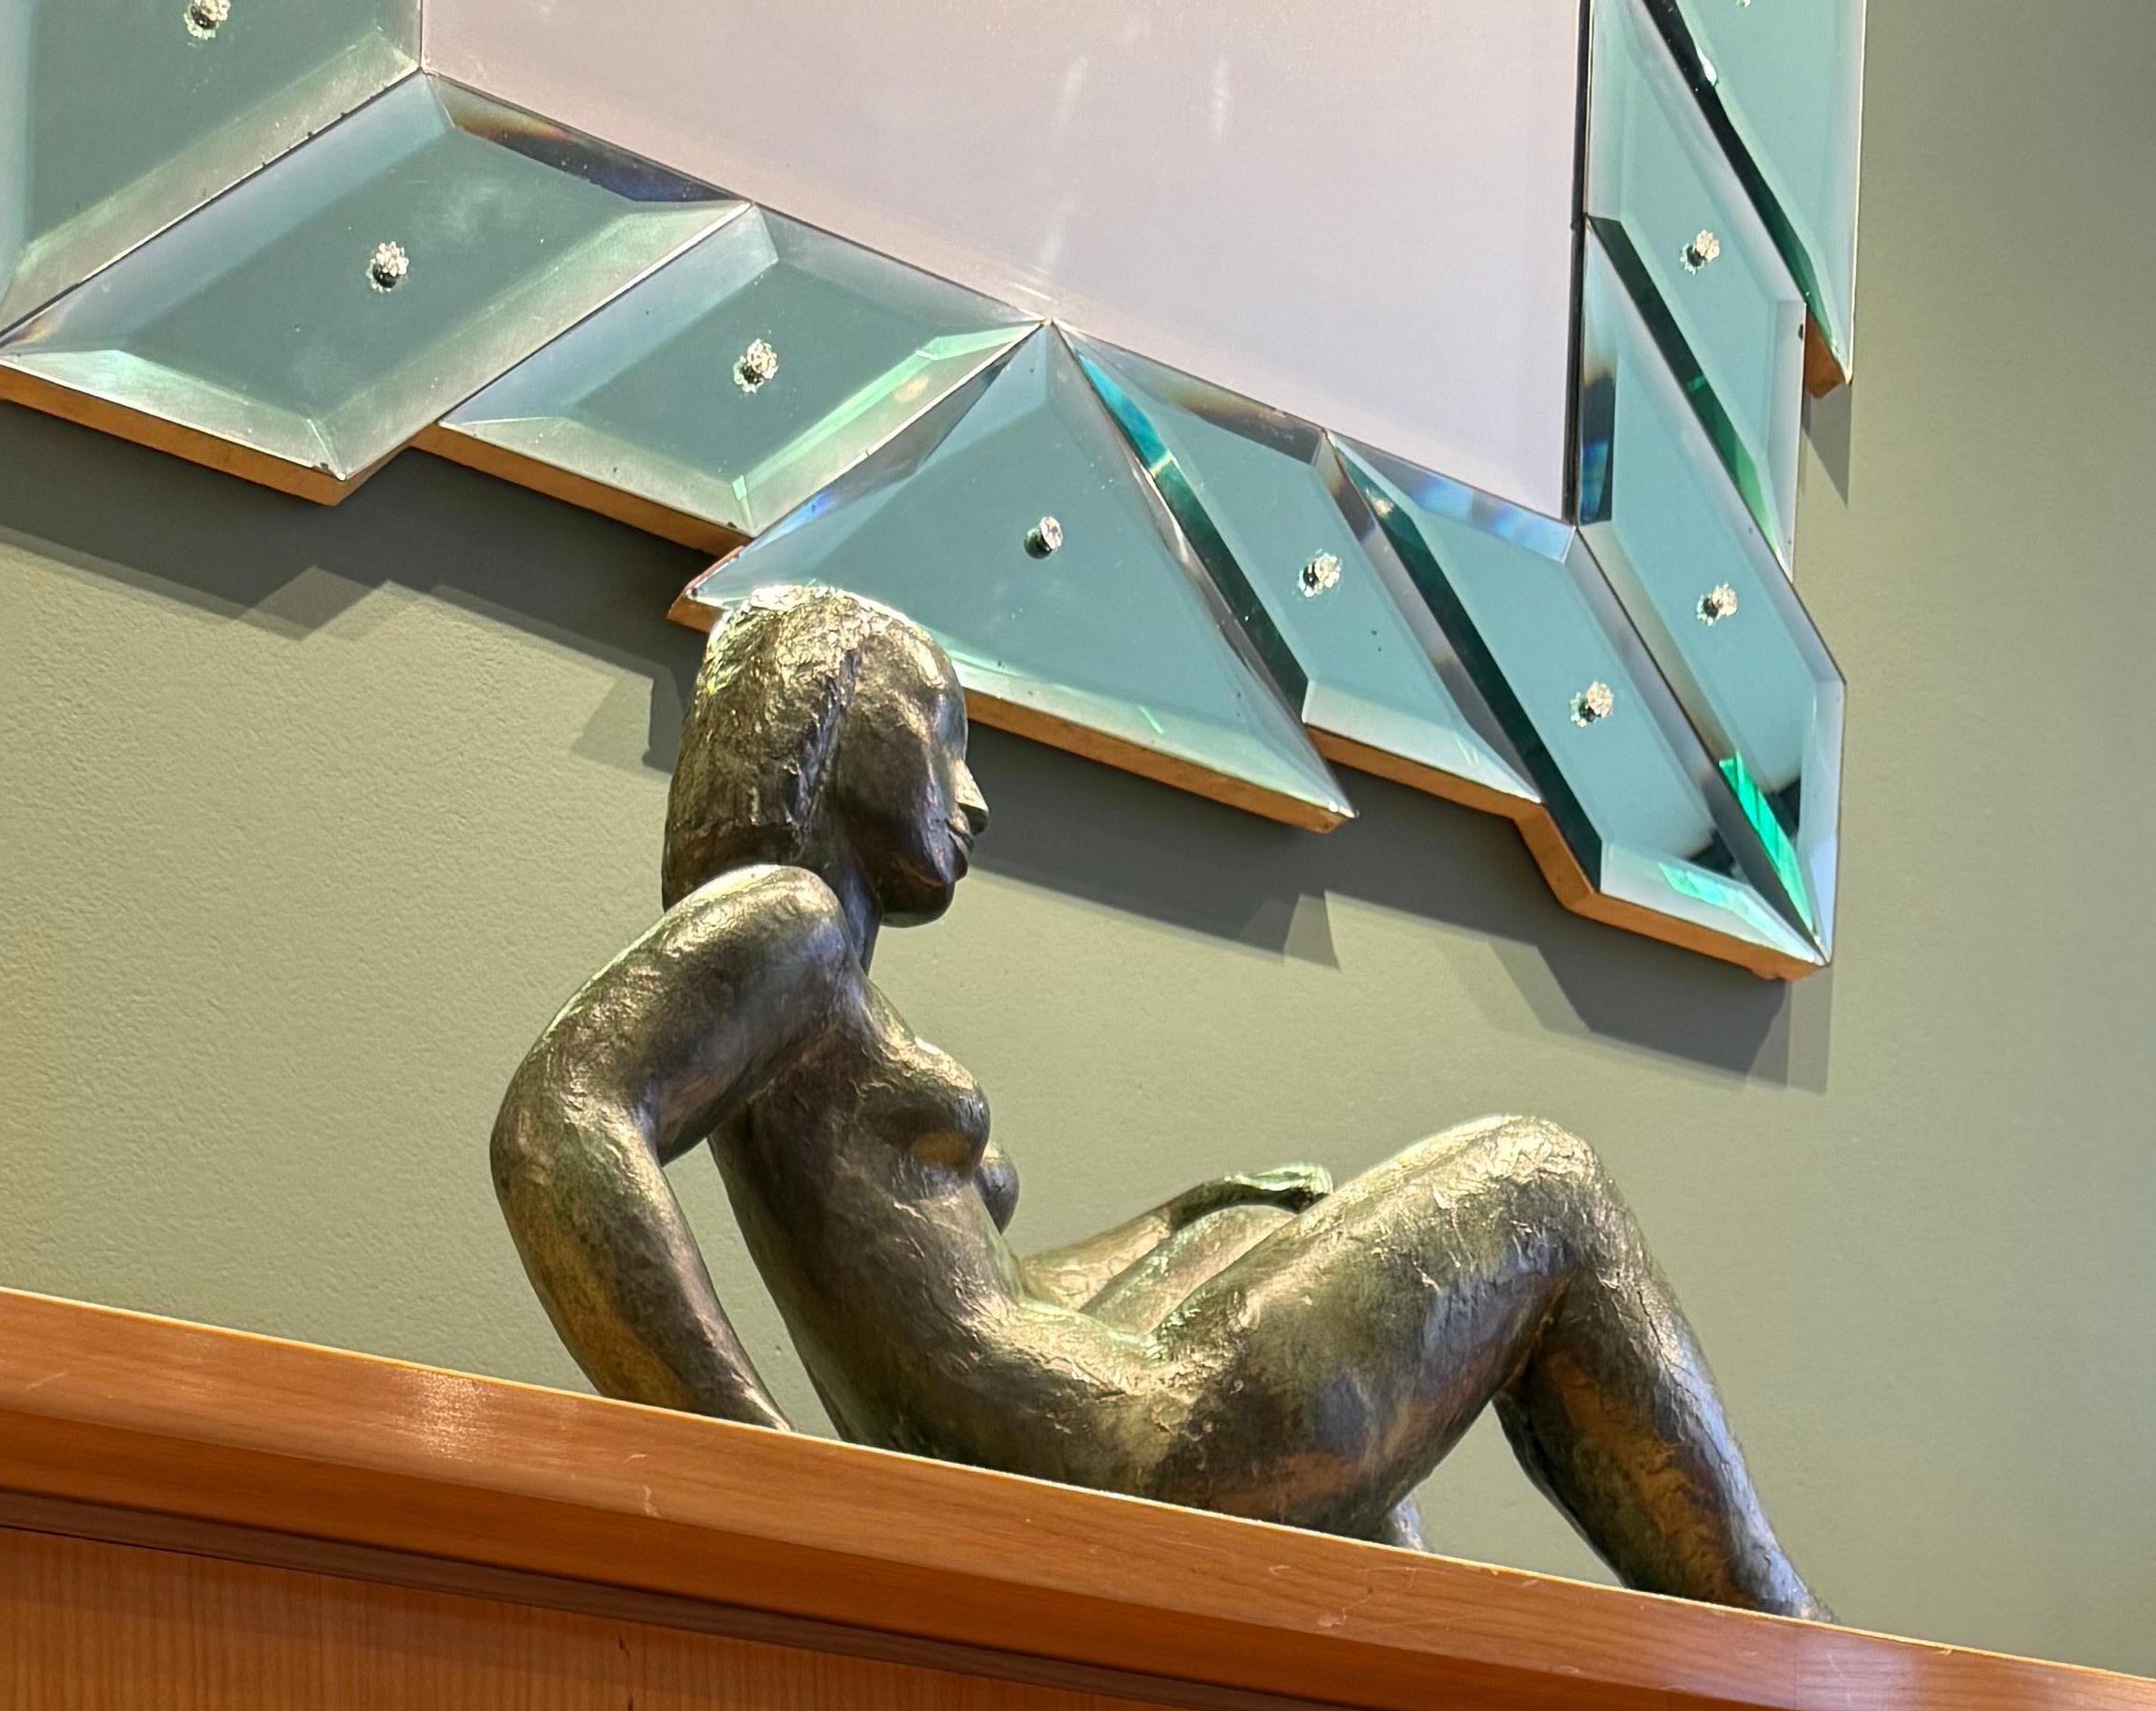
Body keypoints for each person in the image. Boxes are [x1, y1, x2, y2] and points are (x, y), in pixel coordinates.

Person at [493, 580, 1815, 1609]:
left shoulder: (825, 991)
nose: (974, 795)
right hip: (1111, 1459)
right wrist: (752, 1465)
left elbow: (987, 1313)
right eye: (938, 731)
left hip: (1072, 1438)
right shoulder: (783, 922)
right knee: (1547, 1181)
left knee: (1247, 1233)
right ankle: (1784, 1653)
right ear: (826, 719)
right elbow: (563, 1121)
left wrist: (1187, 1221)